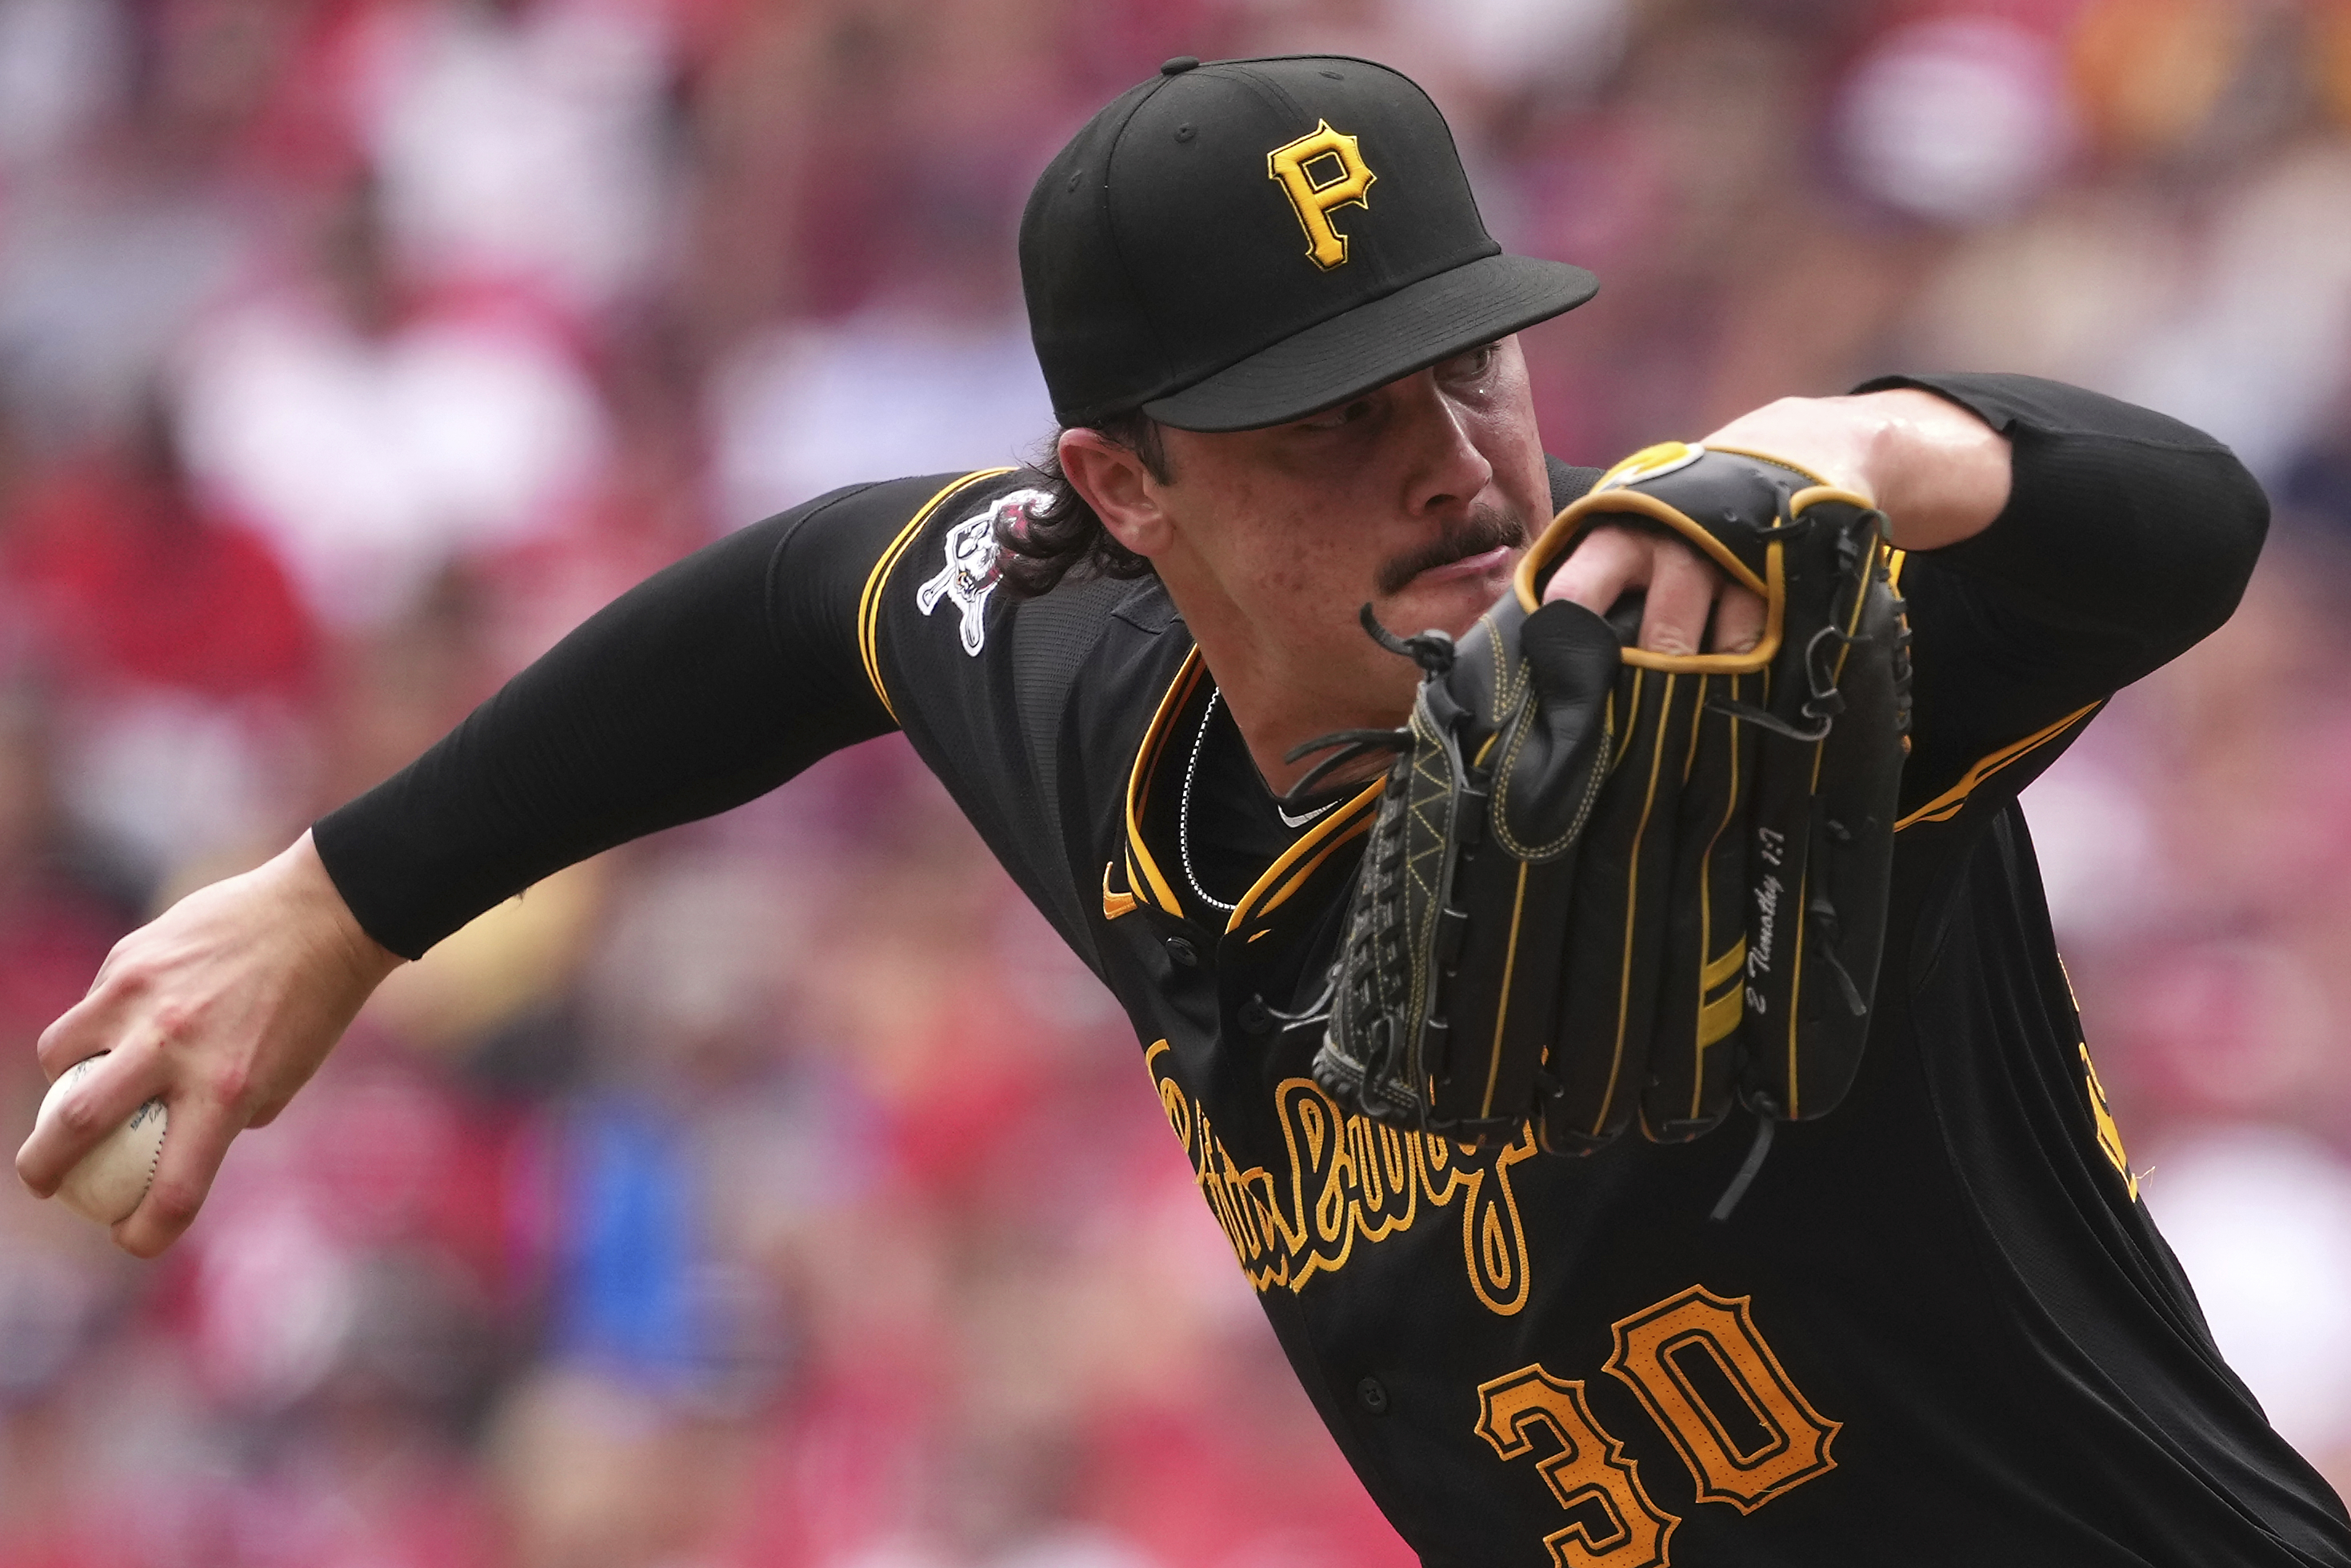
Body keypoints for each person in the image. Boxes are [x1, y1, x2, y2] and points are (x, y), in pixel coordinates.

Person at [18, 54, 2349, 1566]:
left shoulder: (1701, 666)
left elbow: (2169, 521)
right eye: (1330, 415)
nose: (1448, 455)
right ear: (1118, 489)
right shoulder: (1084, 696)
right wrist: (340, 899)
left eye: (1470, 361)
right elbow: (802, 600)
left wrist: (1854, 449)